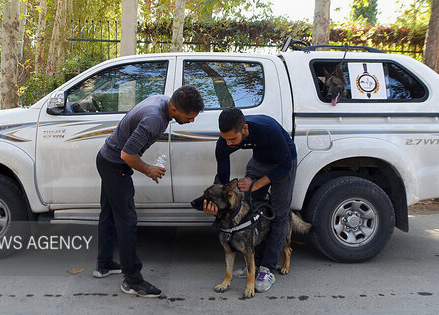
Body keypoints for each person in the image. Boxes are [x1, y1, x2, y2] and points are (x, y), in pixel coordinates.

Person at [95, 85, 204, 298]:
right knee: (127, 221)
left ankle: (104, 264)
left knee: (108, 213)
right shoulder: (154, 119)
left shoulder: (162, 101)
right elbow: (127, 155)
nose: (192, 121)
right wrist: (148, 169)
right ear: (174, 110)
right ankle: (133, 281)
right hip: (115, 165)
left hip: (106, 158)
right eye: (190, 117)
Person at [203, 107, 297, 293]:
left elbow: (285, 165)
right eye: (225, 139)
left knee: (279, 214)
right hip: (260, 161)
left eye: (233, 140)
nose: (229, 144)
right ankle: (254, 263)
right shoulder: (224, 141)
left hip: (283, 162)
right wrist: (216, 205)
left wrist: (256, 184)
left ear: (244, 129)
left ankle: (267, 269)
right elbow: (223, 183)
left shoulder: (267, 130)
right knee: (250, 210)